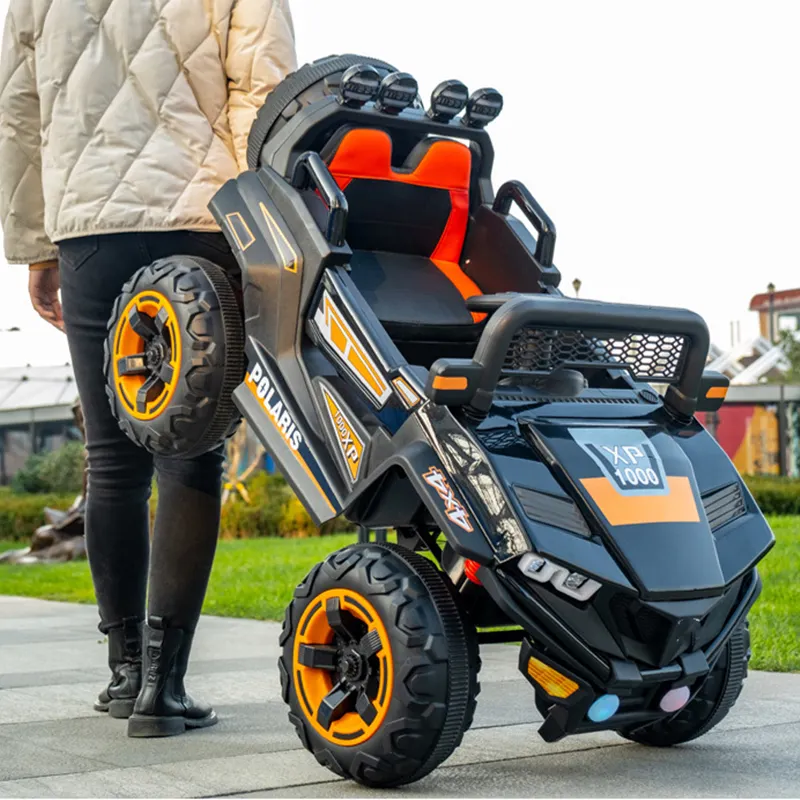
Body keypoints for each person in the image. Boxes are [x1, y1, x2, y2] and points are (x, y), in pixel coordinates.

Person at [0, 1, 296, 738]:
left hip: (89, 228)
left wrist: (35, 244)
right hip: (203, 219)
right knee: (192, 455)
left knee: (111, 460)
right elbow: (265, 86)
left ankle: (124, 670)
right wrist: (249, 214)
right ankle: (163, 689)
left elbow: (18, 110)